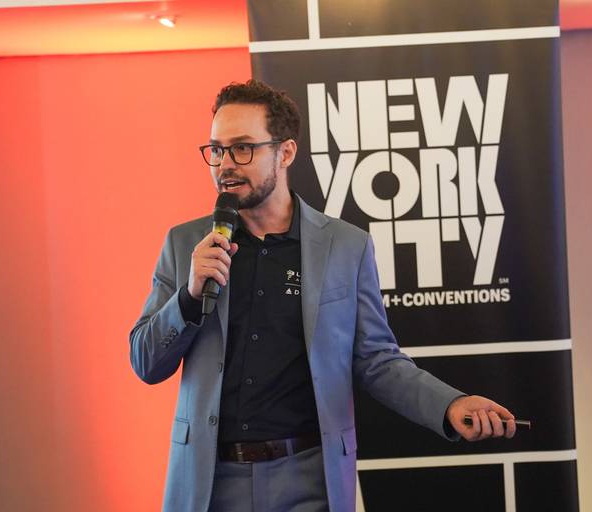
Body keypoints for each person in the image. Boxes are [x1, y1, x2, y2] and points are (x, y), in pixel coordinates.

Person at [130, 79, 517, 512]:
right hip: (210, 481)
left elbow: (377, 360)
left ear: (285, 153)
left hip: (308, 477)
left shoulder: (345, 246)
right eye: (216, 150)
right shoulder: (185, 244)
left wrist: (450, 405)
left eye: (242, 148)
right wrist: (188, 296)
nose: (225, 165)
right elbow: (146, 362)